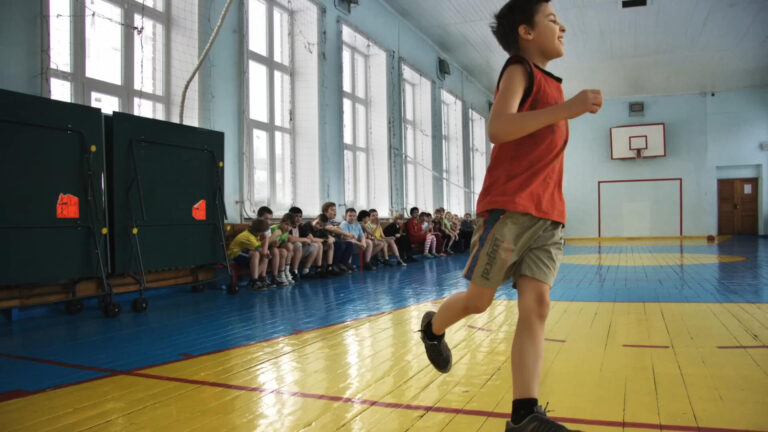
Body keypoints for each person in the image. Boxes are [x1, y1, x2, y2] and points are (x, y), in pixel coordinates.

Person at [418, 1, 602, 431]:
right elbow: (499, 128)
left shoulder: (554, 87)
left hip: (549, 215)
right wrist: (568, 109)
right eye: (553, 20)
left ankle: (524, 416)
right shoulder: (519, 70)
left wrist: (565, 107)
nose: (563, 27)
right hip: (510, 209)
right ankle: (433, 327)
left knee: (536, 306)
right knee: (480, 302)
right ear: (526, 31)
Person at [226, 219, 269, 290]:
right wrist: (267, 238)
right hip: (235, 254)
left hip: (244, 252)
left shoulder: (253, 233)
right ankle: (254, 281)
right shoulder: (249, 237)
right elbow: (262, 252)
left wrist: (266, 252)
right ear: (259, 232)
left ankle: (255, 280)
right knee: (256, 254)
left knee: (266, 254)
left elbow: (263, 251)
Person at [320, 202, 355, 273]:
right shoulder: (322, 219)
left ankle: (343, 263)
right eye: (332, 210)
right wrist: (347, 234)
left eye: (335, 210)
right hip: (325, 241)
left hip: (335, 241)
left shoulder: (333, 221)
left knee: (350, 244)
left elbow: (339, 228)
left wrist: (344, 233)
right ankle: (334, 265)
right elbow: (332, 229)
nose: (335, 212)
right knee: (340, 244)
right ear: (325, 211)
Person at [288, 207, 322, 279]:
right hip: (289, 251)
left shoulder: (300, 227)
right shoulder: (288, 226)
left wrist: (307, 240)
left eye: (300, 216)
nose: (298, 219)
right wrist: (304, 240)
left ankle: (305, 271)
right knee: (298, 244)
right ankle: (294, 271)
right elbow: (290, 239)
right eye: (296, 216)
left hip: (298, 251)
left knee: (315, 245)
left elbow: (310, 238)